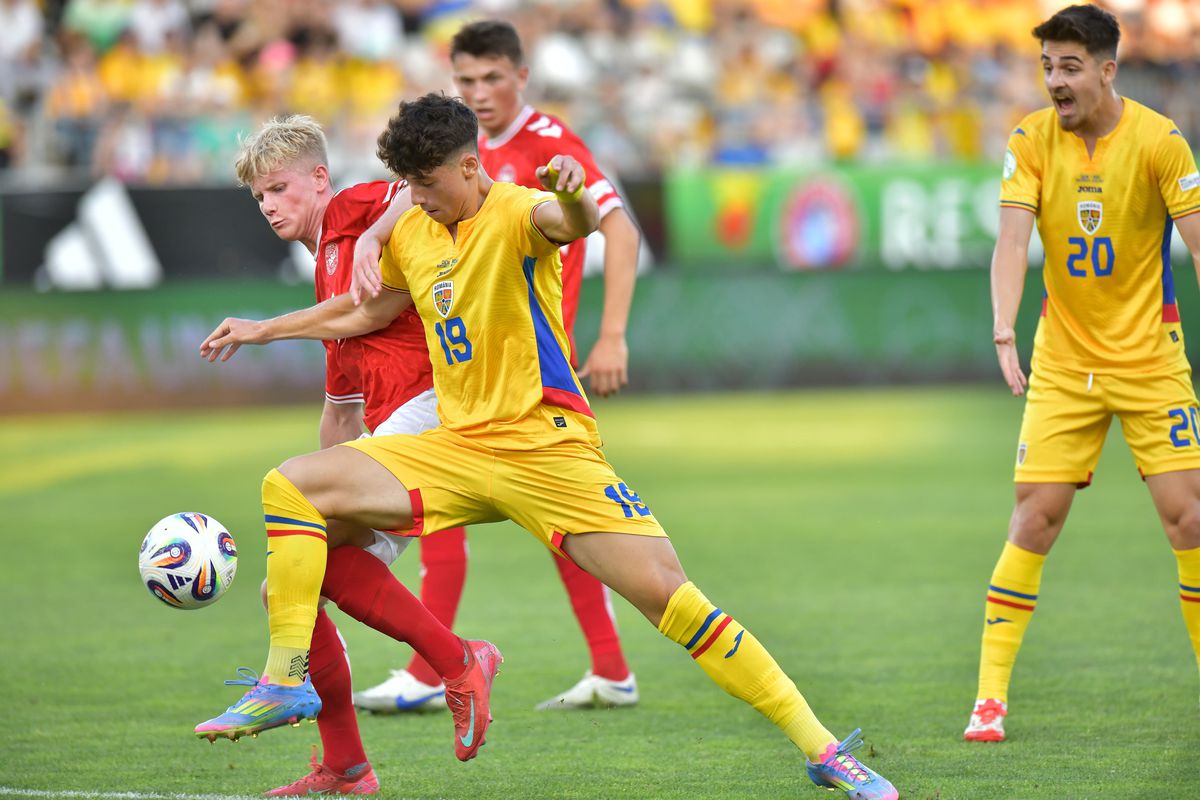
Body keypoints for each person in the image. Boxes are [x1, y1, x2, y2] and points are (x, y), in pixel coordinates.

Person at [199, 93, 898, 800]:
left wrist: (574, 196)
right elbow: (368, 310)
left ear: (471, 167)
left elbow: (569, 222)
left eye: (427, 184)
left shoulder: (515, 210)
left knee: (672, 600)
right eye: (407, 186)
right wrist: (265, 328)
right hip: (457, 447)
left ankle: (822, 748)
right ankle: (290, 682)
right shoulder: (413, 229)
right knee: (290, 488)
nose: (415, 199)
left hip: (546, 448)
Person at [196, 115, 502, 795]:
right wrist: (317, 507)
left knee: (296, 559)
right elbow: (340, 413)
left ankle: (452, 662)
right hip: (395, 434)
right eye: (258, 196)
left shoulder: (354, 209)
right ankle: (346, 768)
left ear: (319, 178)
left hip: (437, 411)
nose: (270, 203)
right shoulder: (326, 271)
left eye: (279, 187)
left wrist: (372, 229)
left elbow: (409, 190)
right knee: (293, 581)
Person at [352, 18, 643, 713]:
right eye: (467, 80)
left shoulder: (550, 145)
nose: (480, 92)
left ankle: (433, 670)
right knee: (531, 515)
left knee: (464, 494)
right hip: (472, 355)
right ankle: (607, 668)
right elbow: (408, 205)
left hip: (532, 366)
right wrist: (372, 230)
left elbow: (618, 226)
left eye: (492, 78)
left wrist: (613, 336)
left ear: (522, 78)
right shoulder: (457, 149)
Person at [966, 3, 1200, 743]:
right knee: (1035, 518)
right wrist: (1004, 325)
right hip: (1063, 361)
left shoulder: (1162, 143)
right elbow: (1011, 243)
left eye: (1069, 68)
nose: (1055, 83)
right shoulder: (1030, 139)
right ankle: (989, 699)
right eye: (1047, 68)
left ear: (1107, 69)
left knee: (1190, 516)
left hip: (1148, 357)